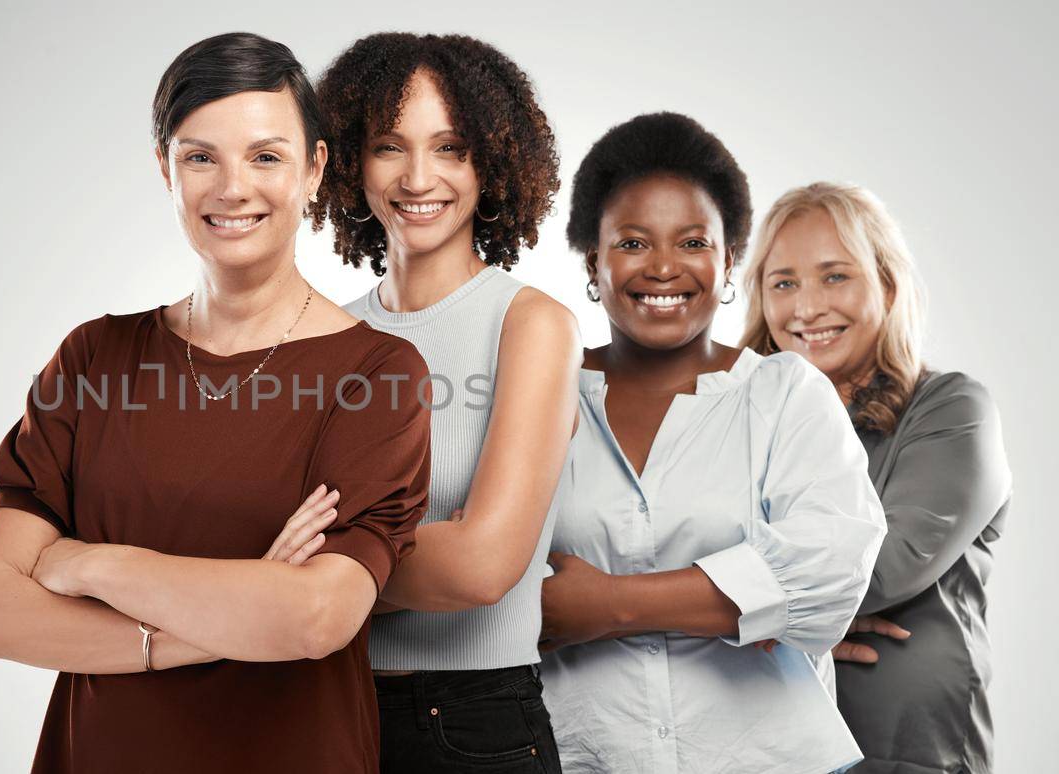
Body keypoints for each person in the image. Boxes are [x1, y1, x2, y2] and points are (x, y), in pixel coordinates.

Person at [0, 32, 434, 774]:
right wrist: (233, 616)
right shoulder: (94, 358)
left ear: (314, 171)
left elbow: (314, 618)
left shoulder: (375, 373)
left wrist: (90, 564)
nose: (231, 187)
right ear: (165, 170)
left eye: (266, 156)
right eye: (200, 156)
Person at [537, 112, 887, 773]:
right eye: (633, 242)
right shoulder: (535, 396)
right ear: (593, 259)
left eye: (693, 242)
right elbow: (494, 589)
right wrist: (736, 599)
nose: (664, 267)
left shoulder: (786, 395)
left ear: (729, 259)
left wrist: (604, 606)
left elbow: (827, 573)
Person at [295, 32, 579, 773]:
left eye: (450, 147)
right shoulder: (325, 334)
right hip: (322, 712)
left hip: (474, 725)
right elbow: (261, 534)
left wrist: (311, 574)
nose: (419, 177)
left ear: (493, 160)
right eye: (391, 146)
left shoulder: (532, 324)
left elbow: (484, 566)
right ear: (351, 161)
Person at [740, 181, 1012, 773]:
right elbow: (662, 545)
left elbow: (884, 565)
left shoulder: (950, 409)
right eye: (783, 282)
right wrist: (804, 625)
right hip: (759, 744)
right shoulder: (738, 423)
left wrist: (756, 621)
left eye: (835, 276)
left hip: (905, 751)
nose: (807, 307)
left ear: (887, 287)